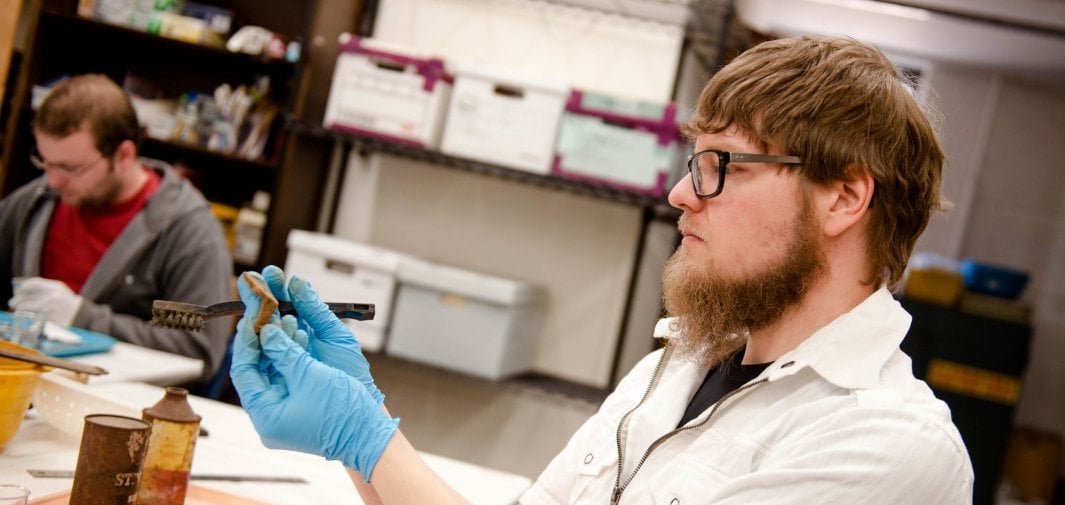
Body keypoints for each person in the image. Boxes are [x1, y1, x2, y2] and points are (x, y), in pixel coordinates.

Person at [230, 34, 973, 504]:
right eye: (692, 162)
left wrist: (367, 437)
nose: (683, 193)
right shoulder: (676, 366)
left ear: (844, 195)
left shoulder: (891, 446)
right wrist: (362, 433)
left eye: (721, 165)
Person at [0, 74, 234, 383]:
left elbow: (197, 348)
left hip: (112, 407)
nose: (53, 181)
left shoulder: (186, 230)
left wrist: (83, 319)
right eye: (46, 162)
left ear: (123, 156)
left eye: (71, 168)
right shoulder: (35, 202)